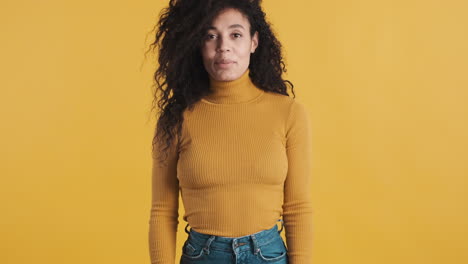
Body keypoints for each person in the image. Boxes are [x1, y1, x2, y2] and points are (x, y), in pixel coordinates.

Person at [147, 0, 313, 263]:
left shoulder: (289, 113)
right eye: (210, 36)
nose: (223, 46)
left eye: (235, 34)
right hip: (203, 255)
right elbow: (162, 212)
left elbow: (297, 208)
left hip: (268, 255)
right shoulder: (176, 119)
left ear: (254, 42)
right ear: (198, 45)